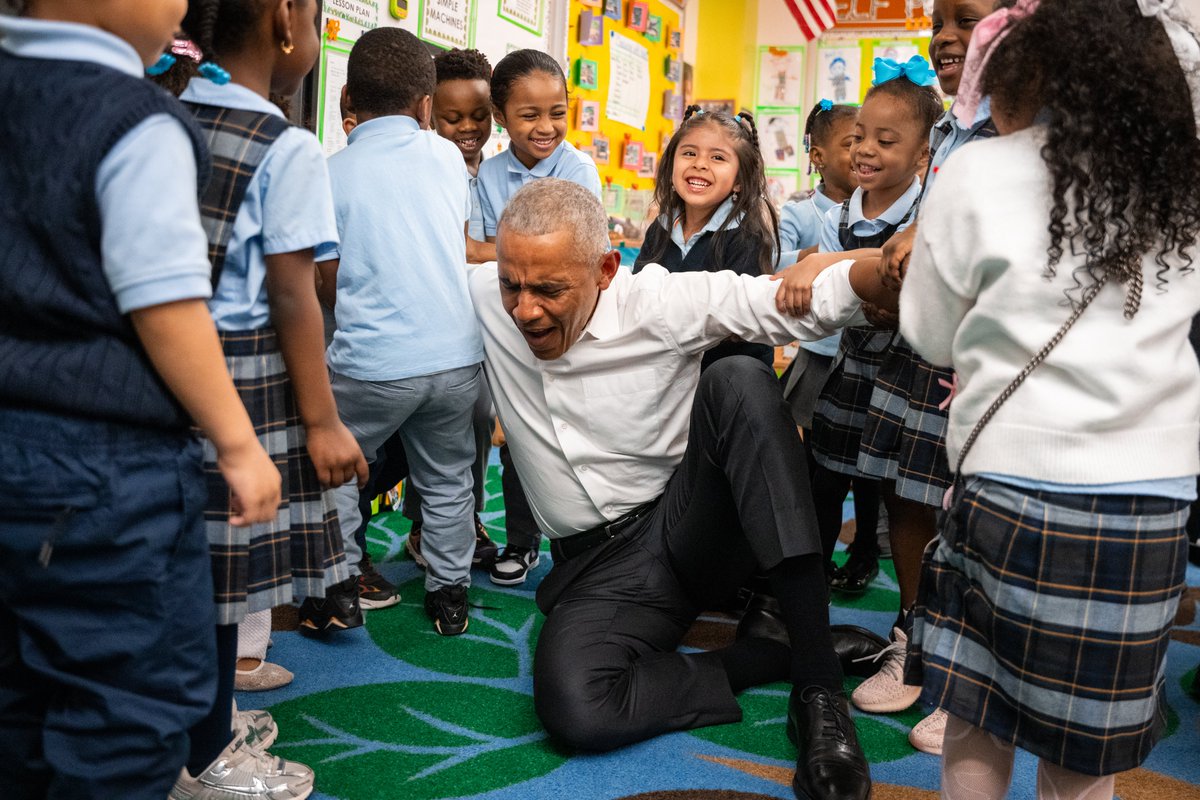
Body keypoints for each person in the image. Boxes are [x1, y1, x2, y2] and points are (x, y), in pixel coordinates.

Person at [469, 177, 898, 800]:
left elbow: (794, 299)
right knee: (577, 708)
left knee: (740, 380)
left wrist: (886, 266)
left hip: (688, 529)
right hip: (596, 571)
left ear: (606, 269)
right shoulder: (485, 296)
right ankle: (767, 654)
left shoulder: (658, 301)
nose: (525, 309)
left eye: (550, 290)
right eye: (512, 284)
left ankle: (817, 684)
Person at [900, 1, 1200, 797]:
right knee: (1084, 747)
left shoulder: (977, 171)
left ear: (1018, 76)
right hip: (1153, 499)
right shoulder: (1183, 187)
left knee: (978, 714)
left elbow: (929, 335)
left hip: (1011, 485)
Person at [0, 3, 282, 798]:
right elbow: (166, 303)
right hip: (101, 476)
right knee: (129, 702)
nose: (184, 6)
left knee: (19, 688)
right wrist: (236, 440)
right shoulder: (137, 121)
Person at [173, 0, 369, 796]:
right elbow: (294, 297)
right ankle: (205, 753)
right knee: (225, 582)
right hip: (248, 378)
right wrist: (321, 421)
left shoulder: (166, 111)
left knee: (184, 565)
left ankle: (197, 718)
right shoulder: (282, 144)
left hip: (166, 367)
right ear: (288, 21)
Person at [851, 0, 1002, 757]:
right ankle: (914, 631)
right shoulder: (945, 128)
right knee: (908, 490)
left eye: (966, 18)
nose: (946, 36)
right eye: (938, 21)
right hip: (924, 340)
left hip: (993, 350)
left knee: (975, 507)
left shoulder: (1024, 128)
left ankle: (971, 670)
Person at [319, 27, 484, 637]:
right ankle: (450, 595)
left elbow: (325, 281)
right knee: (447, 477)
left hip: (373, 367)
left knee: (336, 469)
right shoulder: (446, 157)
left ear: (346, 102)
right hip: (456, 360)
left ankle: (336, 584)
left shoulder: (328, 172)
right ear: (424, 106)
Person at [804, 64, 941, 608]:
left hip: (902, 370)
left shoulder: (921, 213)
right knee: (825, 468)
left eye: (886, 141)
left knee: (886, 483)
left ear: (923, 157)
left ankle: (869, 557)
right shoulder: (845, 209)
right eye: (859, 136)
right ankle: (808, 574)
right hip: (852, 360)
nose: (865, 150)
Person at [475, 48, 603, 585]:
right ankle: (523, 541)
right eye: (529, 115)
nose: (546, 126)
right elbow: (474, 251)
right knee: (519, 436)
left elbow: (580, 257)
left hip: (567, 328)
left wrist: (498, 254)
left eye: (557, 111)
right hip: (509, 325)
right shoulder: (489, 173)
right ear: (501, 116)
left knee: (574, 434)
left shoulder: (579, 172)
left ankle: (586, 542)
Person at [399, 47, 502, 579]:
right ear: (426, 112)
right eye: (452, 117)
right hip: (429, 323)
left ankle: (467, 518)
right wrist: (508, 248)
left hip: (483, 323)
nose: (468, 128)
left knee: (477, 421)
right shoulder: (421, 168)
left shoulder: (495, 171)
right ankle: (423, 524)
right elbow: (457, 247)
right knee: (449, 422)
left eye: (479, 116)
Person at [634, 106, 780, 370]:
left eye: (718, 158)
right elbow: (638, 296)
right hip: (664, 374)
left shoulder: (747, 237)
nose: (699, 164)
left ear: (739, 181)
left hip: (722, 381)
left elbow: (737, 325)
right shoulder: (661, 228)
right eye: (689, 153)